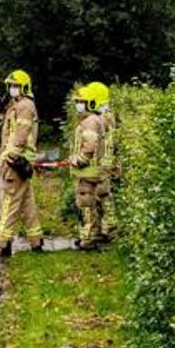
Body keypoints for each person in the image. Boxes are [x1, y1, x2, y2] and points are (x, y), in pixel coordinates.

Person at [0, 69, 43, 256]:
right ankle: (36, 241)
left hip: (16, 161)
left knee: (9, 201)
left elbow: (21, 133)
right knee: (26, 202)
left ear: (24, 87)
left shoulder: (24, 106)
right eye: (11, 86)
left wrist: (10, 156)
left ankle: (2, 242)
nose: (12, 89)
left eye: (16, 86)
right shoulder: (19, 104)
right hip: (21, 160)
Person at [70, 82, 116, 250]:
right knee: (100, 201)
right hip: (97, 169)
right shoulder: (99, 119)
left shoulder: (91, 121)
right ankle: (100, 232)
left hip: (89, 170)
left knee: (86, 203)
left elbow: (89, 146)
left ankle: (88, 238)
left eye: (80, 102)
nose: (78, 105)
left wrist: (79, 160)